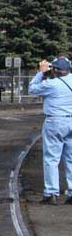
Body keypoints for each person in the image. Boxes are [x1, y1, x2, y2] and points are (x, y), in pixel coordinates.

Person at [28, 56, 72, 205]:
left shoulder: (51, 84)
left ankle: (51, 193)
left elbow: (32, 89)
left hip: (55, 121)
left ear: (55, 70)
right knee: (71, 158)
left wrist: (41, 72)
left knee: (52, 158)